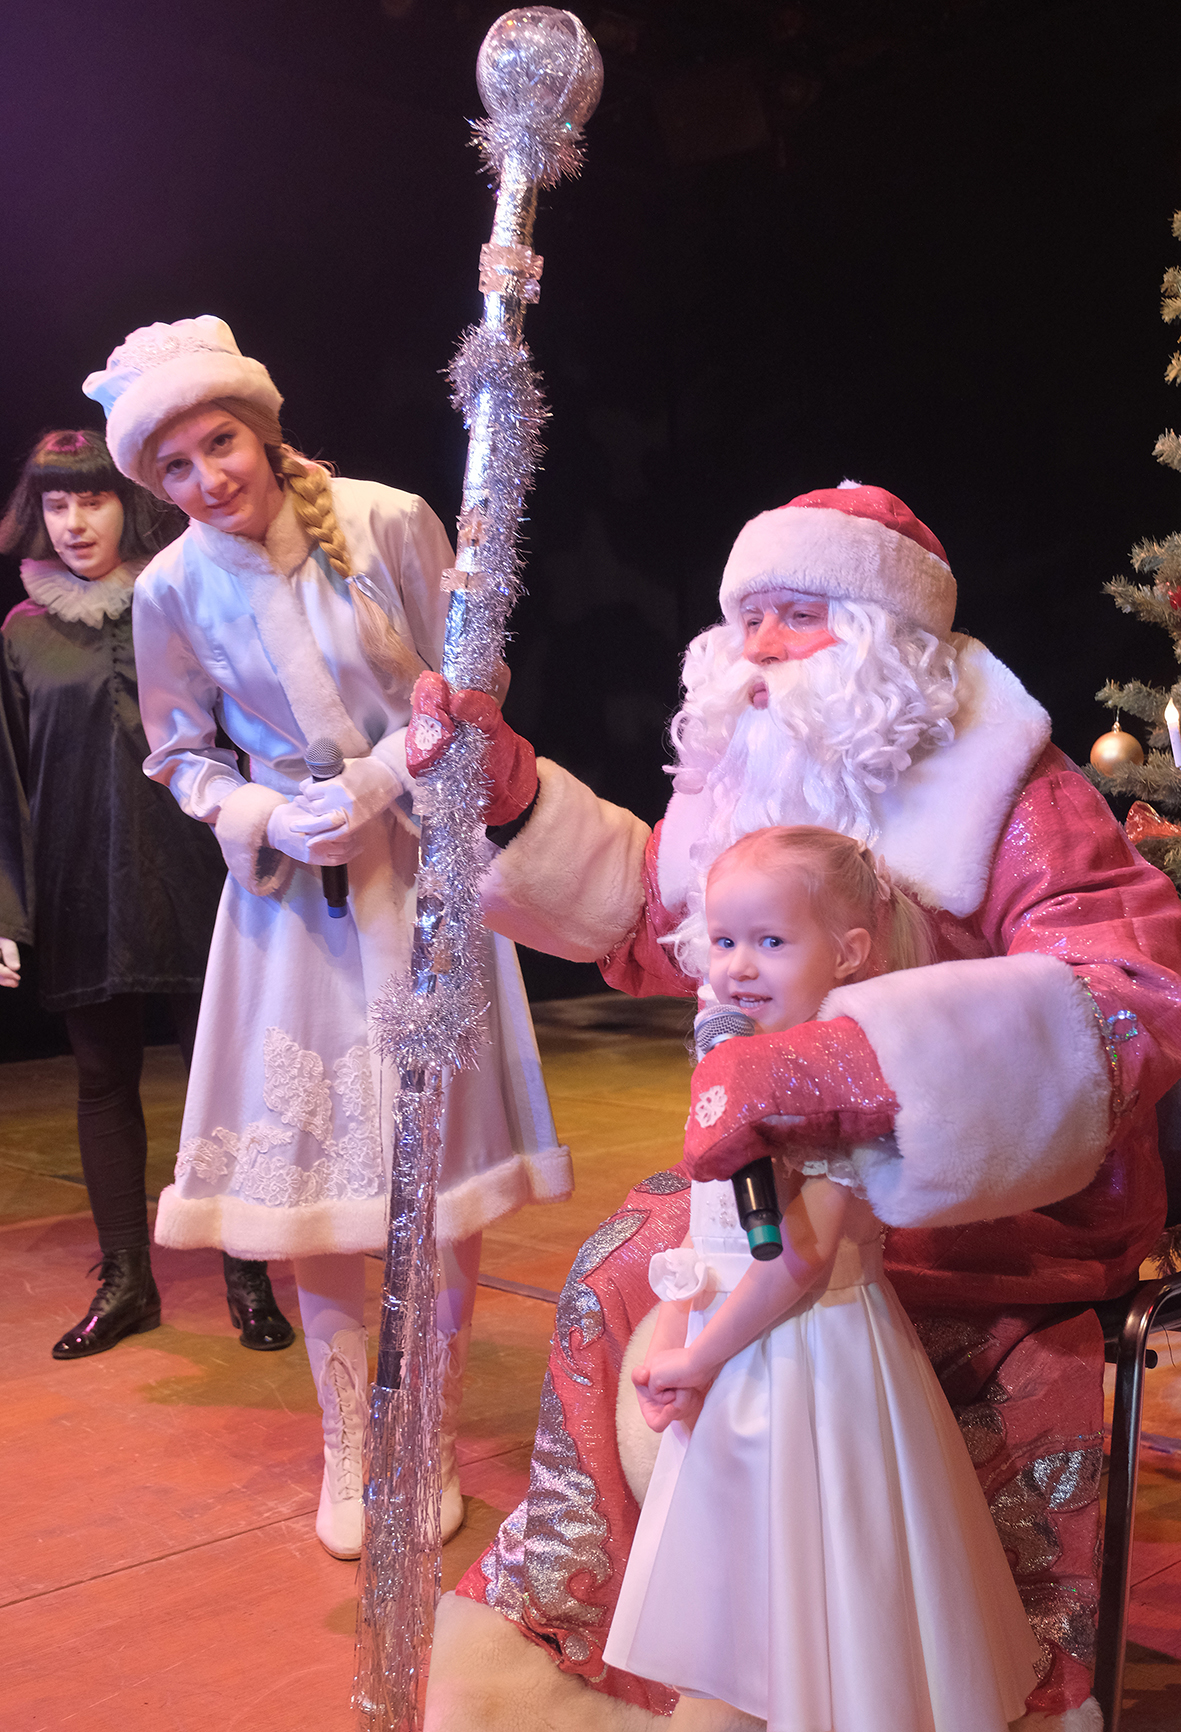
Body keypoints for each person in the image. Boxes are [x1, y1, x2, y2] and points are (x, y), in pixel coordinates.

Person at [420, 484, 1181, 1732]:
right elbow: (663, 925)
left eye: (800, 613)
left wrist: (845, 1072)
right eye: (748, 617)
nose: (763, 648)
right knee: (617, 1269)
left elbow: (1128, 992)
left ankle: (906, 1679)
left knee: (941, 1347)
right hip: (780, 1183)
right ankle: (617, 1669)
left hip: (989, 1211)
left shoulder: (1013, 789)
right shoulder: (752, 775)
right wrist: (511, 802)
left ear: (889, 633)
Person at [80, 315, 571, 1560]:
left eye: (220, 443)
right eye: (175, 466)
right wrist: (266, 814)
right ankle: (352, 1437)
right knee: (322, 1182)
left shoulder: (387, 519)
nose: (207, 478)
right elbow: (180, 752)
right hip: (290, 907)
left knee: (435, 1172)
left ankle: (424, 1435)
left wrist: (383, 782)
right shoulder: (171, 587)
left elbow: (471, 686)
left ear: (261, 427)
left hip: (423, 876)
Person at [603, 825, 1039, 1731]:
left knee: (830, 1556)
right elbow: (710, 1222)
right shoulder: (729, 1066)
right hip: (728, 1351)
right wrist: (677, 1333)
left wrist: (701, 1357)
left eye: (771, 941)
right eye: (724, 940)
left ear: (846, 952)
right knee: (746, 1566)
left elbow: (796, 1259)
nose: (738, 966)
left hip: (813, 1356)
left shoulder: (843, 1089)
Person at [0, 429, 293, 1360]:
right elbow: (6, 780)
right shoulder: (23, 633)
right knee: (101, 1078)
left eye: (91, 499)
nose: (73, 521)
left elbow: (251, 727)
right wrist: (6, 909)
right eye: (56, 503)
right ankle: (127, 1277)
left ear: (128, 503)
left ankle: (247, 1268)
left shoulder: (180, 597)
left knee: (225, 1073)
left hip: (199, 876)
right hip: (81, 883)